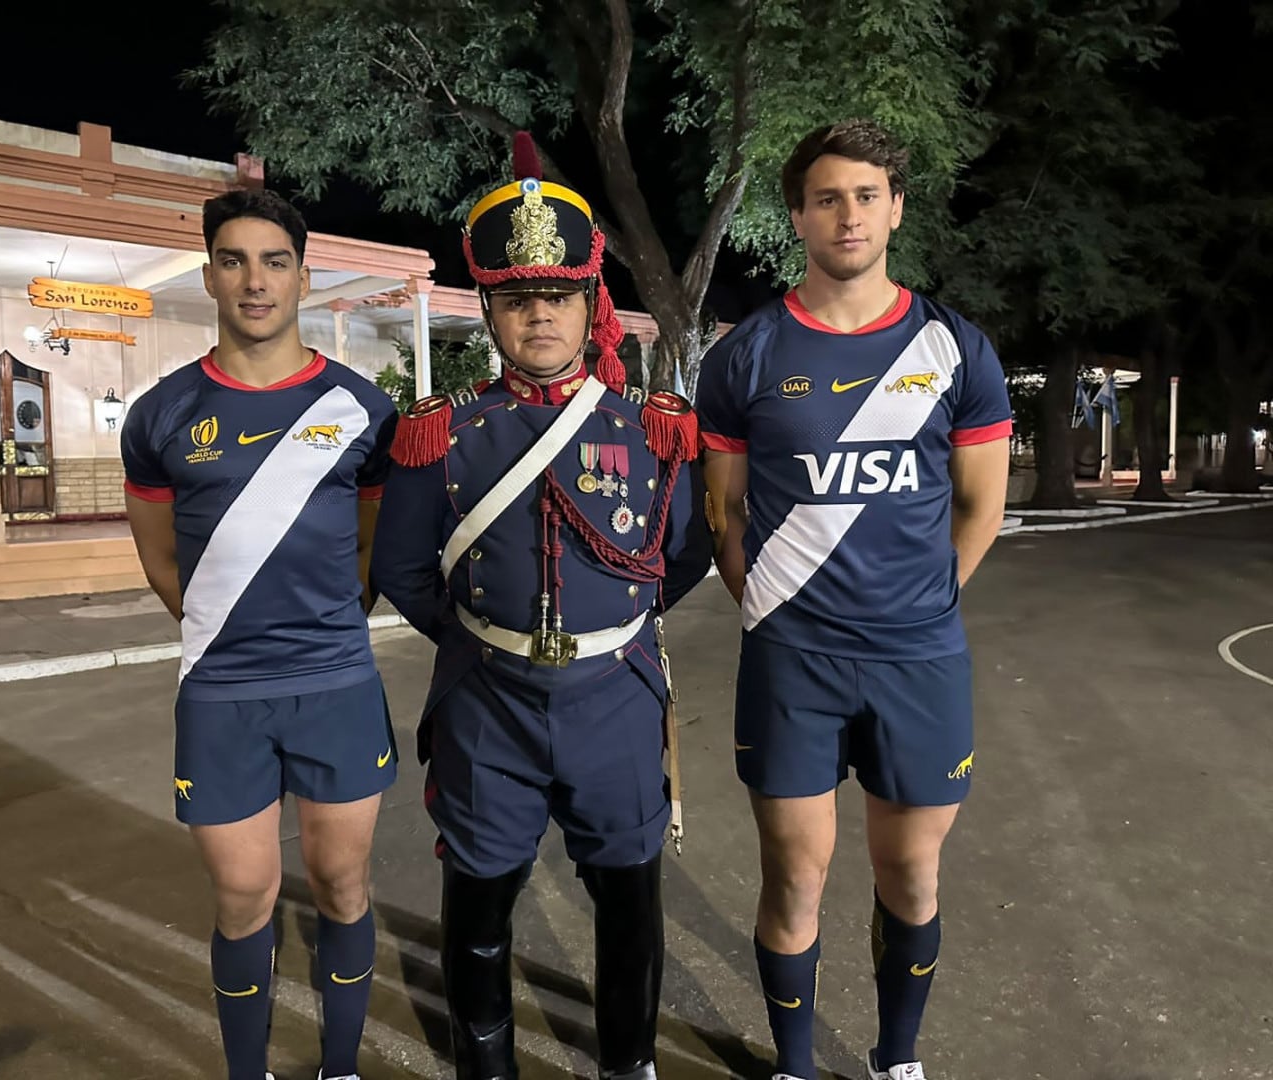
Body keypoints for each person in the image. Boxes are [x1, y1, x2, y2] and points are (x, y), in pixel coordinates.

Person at [370, 133, 711, 1080]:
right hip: (489, 703)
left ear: (589, 302)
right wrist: (482, 639)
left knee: (629, 910)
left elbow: (681, 555)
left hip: (615, 699)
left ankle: (627, 1066)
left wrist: (614, 627)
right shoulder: (445, 435)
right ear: (489, 308)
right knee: (478, 914)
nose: (539, 316)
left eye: (557, 296)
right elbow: (402, 567)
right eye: (518, 298)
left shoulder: (647, 430)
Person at [694, 119, 1012, 1080]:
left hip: (919, 659)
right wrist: (771, 602)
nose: (849, 215)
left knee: (911, 873)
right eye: (827, 198)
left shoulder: (954, 348)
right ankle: (795, 1066)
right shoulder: (745, 355)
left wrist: (923, 601)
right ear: (797, 215)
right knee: (795, 876)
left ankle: (895, 1059)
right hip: (792, 660)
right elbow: (723, 513)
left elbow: (981, 508)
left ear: (896, 209)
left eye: (867, 195)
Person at [120, 188, 398, 1080]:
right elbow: (161, 560)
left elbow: (370, 548)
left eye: (275, 262)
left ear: (303, 278)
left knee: (343, 885)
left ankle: (339, 1068)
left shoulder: (363, 409)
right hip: (222, 693)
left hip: (337, 685)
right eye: (233, 261)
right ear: (209, 276)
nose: (255, 281)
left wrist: (323, 628)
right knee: (244, 896)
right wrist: (226, 630)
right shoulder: (160, 415)